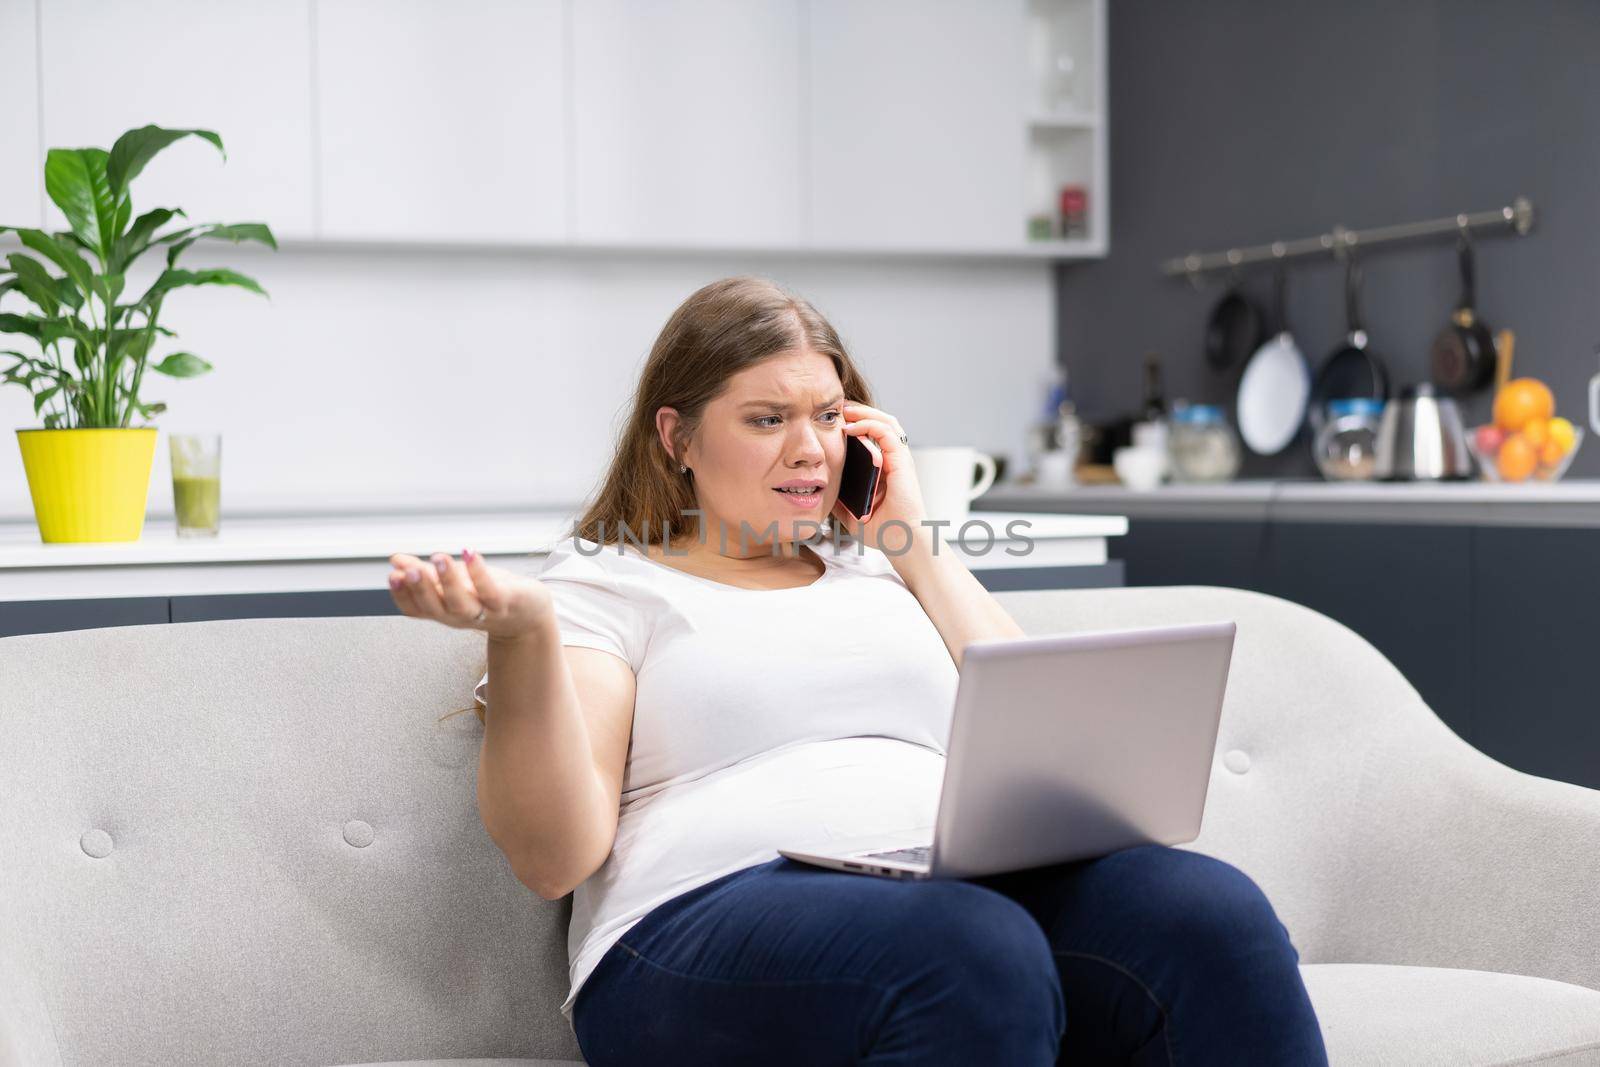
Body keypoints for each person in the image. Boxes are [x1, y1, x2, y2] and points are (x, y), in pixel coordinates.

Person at [386, 276, 1329, 1065]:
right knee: (973, 950)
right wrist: (523, 639)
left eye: (828, 416)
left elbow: (1059, 732)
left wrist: (914, 543)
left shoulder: (880, 566)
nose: (808, 449)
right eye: (767, 419)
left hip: (946, 885)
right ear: (675, 437)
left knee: (1212, 912)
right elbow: (555, 853)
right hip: (698, 921)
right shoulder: (607, 579)